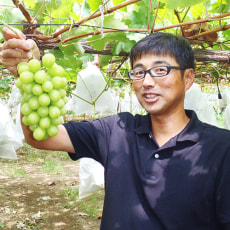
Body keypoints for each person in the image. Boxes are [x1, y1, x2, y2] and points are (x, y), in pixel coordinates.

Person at [2, 26, 230, 230]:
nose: (147, 82)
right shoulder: (117, 130)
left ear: (188, 78)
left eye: (160, 70)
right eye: (139, 72)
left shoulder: (223, 148)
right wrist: (30, 77)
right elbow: (39, 137)